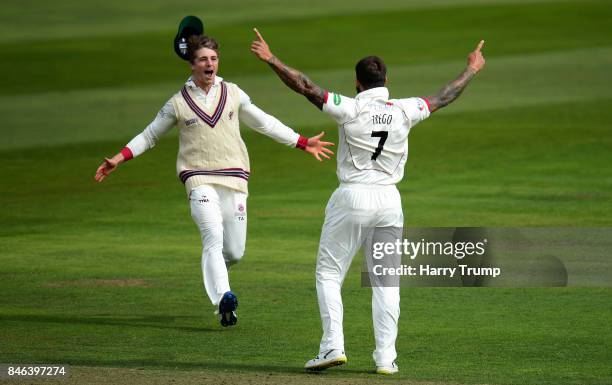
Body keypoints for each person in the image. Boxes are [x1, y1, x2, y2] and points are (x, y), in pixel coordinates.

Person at [250, 28, 485, 374]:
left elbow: (306, 87)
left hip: (352, 196)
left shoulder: (350, 107)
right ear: (387, 80)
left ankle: (332, 347)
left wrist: (271, 59)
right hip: (390, 200)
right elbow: (445, 96)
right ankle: (386, 359)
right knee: (387, 281)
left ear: (358, 83)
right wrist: (472, 69)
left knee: (329, 274)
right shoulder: (406, 109)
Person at [94, 34, 334, 327]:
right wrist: (119, 158)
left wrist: (302, 141)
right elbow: (149, 135)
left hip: (234, 178)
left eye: (214, 59)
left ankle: (218, 280)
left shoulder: (233, 92)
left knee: (233, 251)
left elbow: (264, 121)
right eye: (204, 59)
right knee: (212, 236)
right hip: (198, 178)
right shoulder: (178, 103)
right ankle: (223, 298)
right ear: (192, 65)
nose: (210, 64)